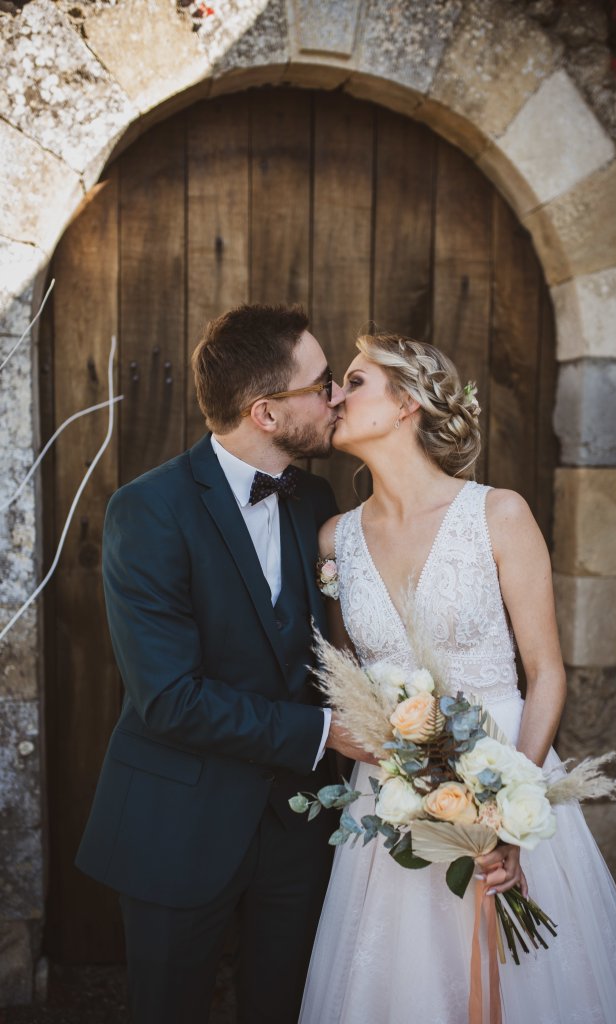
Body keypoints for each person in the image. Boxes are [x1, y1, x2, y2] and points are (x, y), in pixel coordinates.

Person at [299, 332, 616, 1024]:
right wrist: (407, 770)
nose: (335, 397)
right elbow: (349, 681)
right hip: (394, 791)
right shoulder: (333, 541)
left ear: (406, 403)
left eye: (354, 381)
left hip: (506, 764)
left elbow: (545, 672)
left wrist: (508, 811)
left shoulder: (497, 514)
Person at [76, 304, 371, 1024]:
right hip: (178, 822)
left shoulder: (317, 500)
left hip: (298, 827)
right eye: (322, 383)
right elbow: (170, 698)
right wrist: (326, 732)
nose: (337, 395)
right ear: (265, 412)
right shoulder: (147, 510)